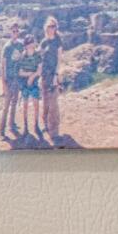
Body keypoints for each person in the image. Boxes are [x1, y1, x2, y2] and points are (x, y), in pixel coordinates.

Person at [34, 14, 65, 142]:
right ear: (45, 28)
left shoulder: (58, 40)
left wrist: (56, 75)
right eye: (49, 26)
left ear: (56, 27)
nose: (51, 28)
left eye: (53, 26)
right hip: (44, 76)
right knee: (46, 102)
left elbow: (59, 59)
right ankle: (46, 125)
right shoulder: (44, 41)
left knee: (53, 104)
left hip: (53, 76)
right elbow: (38, 55)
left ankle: (55, 131)